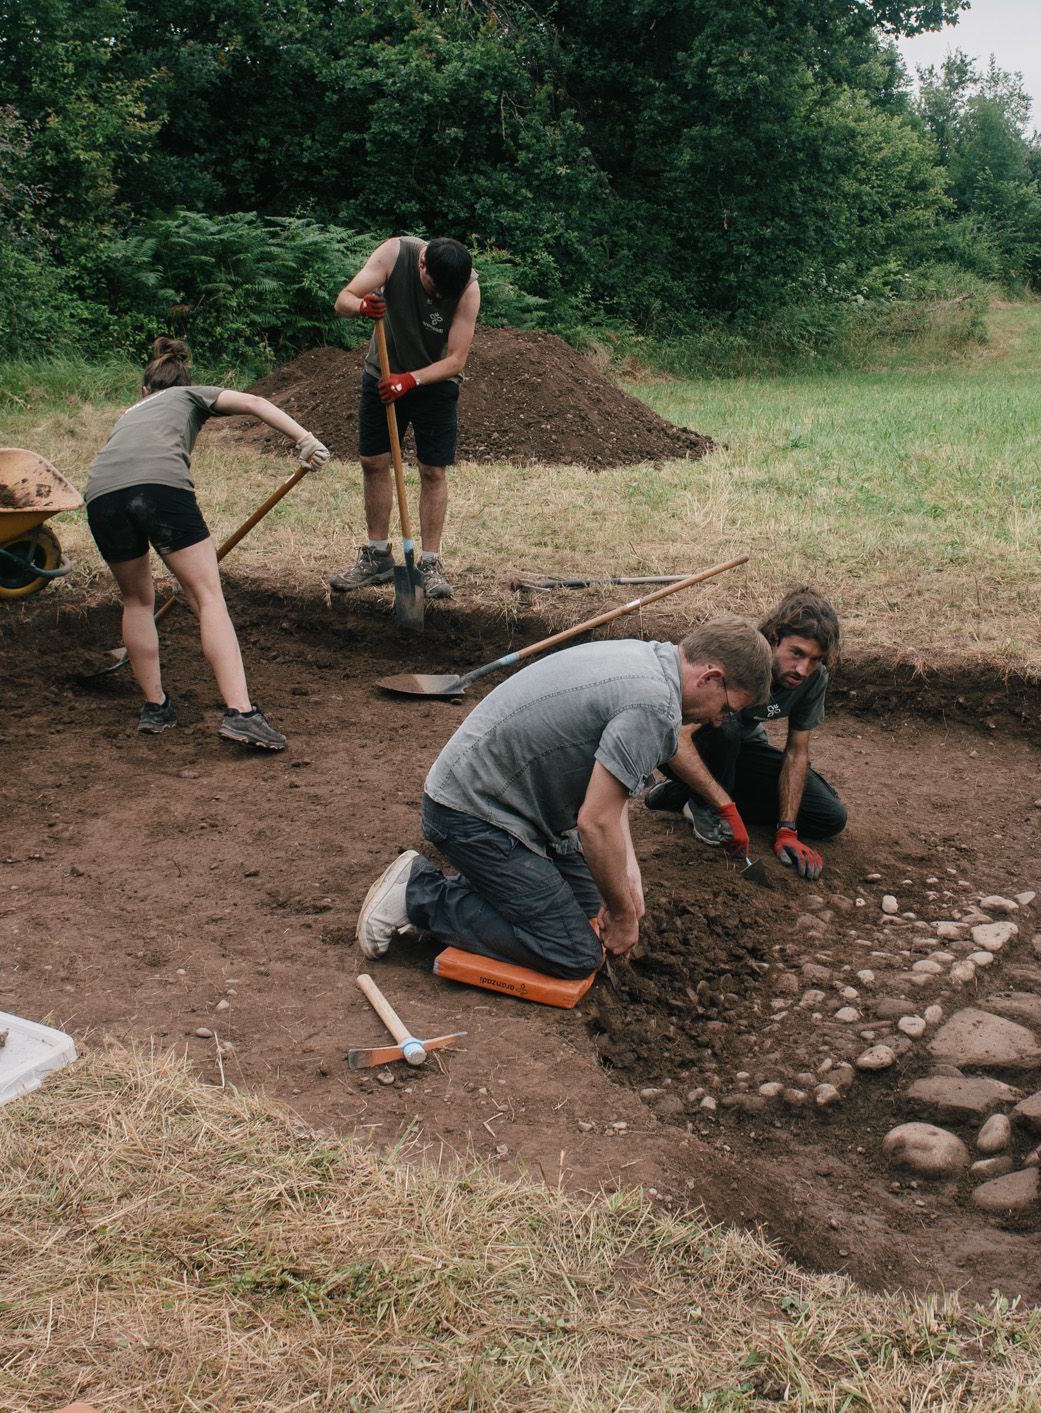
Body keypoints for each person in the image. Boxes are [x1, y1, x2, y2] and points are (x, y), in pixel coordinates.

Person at [355, 619, 773, 978]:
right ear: (711, 677)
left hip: (508, 804)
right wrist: (625, 917)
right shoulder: (655, 709)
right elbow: (596, 823)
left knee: (591, 905)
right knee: (575, 952)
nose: (722, 721)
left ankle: (487, 892)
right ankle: (420, 896)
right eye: (729, 708)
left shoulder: (651, 660)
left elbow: (611, 793)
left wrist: (629, 874)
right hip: (472, 813)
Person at [83, 337, 331, 751]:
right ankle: (241, 714)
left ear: (145, 389)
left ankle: (155, 708)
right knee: (208, 594)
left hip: (101, 495)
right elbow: (253, 402)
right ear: (183, 382)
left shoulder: (129, 412)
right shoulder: (190, 395)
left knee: (136, 601)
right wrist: (305, 439)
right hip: (160, 487)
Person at [646, 588, 848, 880]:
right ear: (775, 636)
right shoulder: (742, 658)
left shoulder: (813, 679)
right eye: (797, 654)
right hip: (677, 743)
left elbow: (796, 752)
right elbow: (676, 736)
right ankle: (704, 803)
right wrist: (723, 807)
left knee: (829, 816)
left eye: (815, 659)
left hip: (740, 750)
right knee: (726, 726)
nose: (803, 669)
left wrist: (787, 829)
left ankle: (684, 793)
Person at [325, 234, 480, 601]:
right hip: (383, 374)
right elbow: (342, 300)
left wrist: (409, 381)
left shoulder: (467, 289)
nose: (439, 298)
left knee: (432, 470)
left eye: (446, 294)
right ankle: (378, 555)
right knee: (373, 461)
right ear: (422, 263)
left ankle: (429, 563)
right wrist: (363, 307)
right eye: (434, 290)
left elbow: (456, 360)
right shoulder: (395, 253)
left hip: (433, 382)